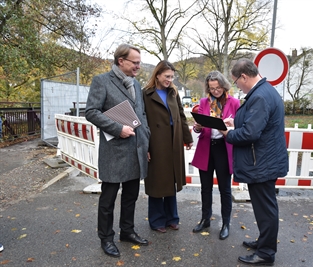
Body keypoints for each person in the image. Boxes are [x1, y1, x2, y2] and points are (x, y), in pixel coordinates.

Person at [85, 44, 151, 258]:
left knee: (131, 196)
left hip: (135, 150)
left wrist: (146, 145)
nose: (138, 67)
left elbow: (141, 115)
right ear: (121, 61)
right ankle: (106, 238)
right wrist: (117, 128)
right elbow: (91, 112)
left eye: (139, 63)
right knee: (108, 199)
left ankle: (127, 231)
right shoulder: (101, 81)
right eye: (135, 62)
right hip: (114, 151)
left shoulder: (136, 84)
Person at [221, 58, 288, 266]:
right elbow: (257, 123)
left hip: (262, 164)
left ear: (244, 76)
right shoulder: (264, 91)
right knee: (264, 207)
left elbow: (251, 133)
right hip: (263, 161)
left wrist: (227, 133)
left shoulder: (259, 96)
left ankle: (266, 253)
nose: (237, 87)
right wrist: (236, 121)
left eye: (236, 82)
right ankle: (264, 242)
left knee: (265, 209)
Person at [142, 60, 193, 233]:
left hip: (174, 140)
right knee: (157, 182)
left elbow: (180, 115)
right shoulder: (146, 94)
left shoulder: (173, 93)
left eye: (172, 77)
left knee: (171, 181)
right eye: (166, 76)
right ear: (157, 75)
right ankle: (157, 220)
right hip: (156, 142)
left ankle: (172, 217)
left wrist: (187, 138)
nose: (170, 80)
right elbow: (141, 122)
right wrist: (145, 147)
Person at [191, 71, 240, 240]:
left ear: (224, 85)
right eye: (212, 88)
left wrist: (229, 127)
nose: (215, 91)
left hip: (223, 148)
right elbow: (199, 128)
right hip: (206, 147)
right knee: (205, 188)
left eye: (218, 88)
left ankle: (226, 223)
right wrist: (197, 127)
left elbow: (240, 127)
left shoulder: (234, 103)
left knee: (225, 189)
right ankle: (205, 219)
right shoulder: (204, 102)